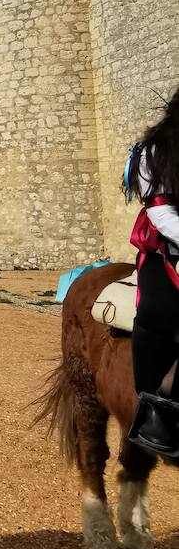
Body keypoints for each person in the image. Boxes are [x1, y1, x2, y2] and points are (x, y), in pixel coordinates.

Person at [126, 86, 179, 458]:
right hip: (167, 249)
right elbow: (161, 214)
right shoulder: (155, 153)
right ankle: (153, 405)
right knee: (157, 310)